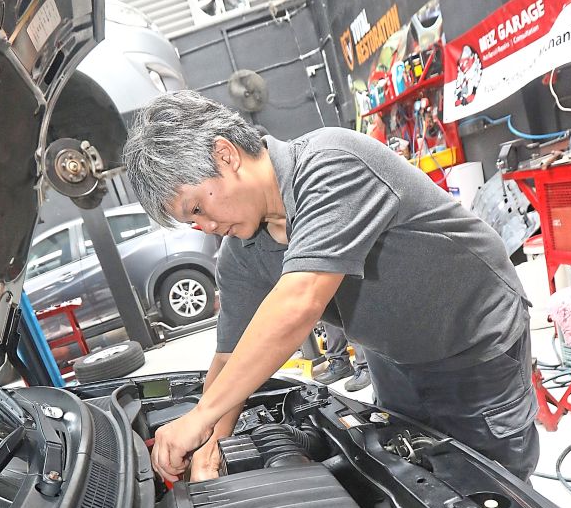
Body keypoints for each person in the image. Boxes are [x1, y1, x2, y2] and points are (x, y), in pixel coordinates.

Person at [123, 91, 538, 484]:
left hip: (476, 344)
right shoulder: (241, 252)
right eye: (192, 221)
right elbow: (229, 356)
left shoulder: (331, 163)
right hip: (394, 360)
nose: (205, 226)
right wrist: (209, 447)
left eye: (197, 207)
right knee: (423, 474)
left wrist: (199, 419)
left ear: (225, 155)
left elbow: (299, 302)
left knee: (496, 489)